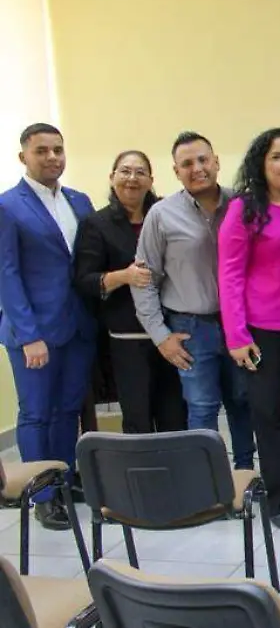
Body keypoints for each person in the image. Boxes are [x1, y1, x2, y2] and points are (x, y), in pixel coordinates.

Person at [132, 131, 255, 470]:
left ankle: (245, 475)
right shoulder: (161, 215)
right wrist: (160, 336)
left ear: (216, 162)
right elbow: (144, 281)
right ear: (176, 171)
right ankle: (208, 481)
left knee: (243, 403)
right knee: (201, 407)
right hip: (190, 327)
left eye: (203, 160)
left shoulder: (242, 206)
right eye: (187, 164)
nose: (197, 168)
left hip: (240, 326)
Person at [218, 128, 280, 531]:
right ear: (261, 162)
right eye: (277, 156)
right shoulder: (246, 209)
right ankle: (279, 499)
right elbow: (229, 276)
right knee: (272, 416)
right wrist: (237, 336)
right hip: (263, 332)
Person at [0, 122, 96, 530]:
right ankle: (41, 495)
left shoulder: (79, 201)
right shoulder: (8, 206)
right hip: (34, 333)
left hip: (77, 328)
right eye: (42, 151)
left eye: (58, 149)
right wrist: (29, 335)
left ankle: (64, 478)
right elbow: (7, 274)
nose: (52, 157)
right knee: (37, 413)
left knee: (67, 411)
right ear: (24, 156)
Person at [74, 150, 186, 436]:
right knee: (138, 419)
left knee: (176, 415)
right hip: (128, 339)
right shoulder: (95, 224)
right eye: (125, 171)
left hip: (173, 335)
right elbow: (84, 280)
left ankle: (178, 478)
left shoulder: (166, 214)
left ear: (151, 180)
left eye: (140, 172)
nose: (132, 178)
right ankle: (143, 480)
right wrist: (124, 276)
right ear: (112, 178)